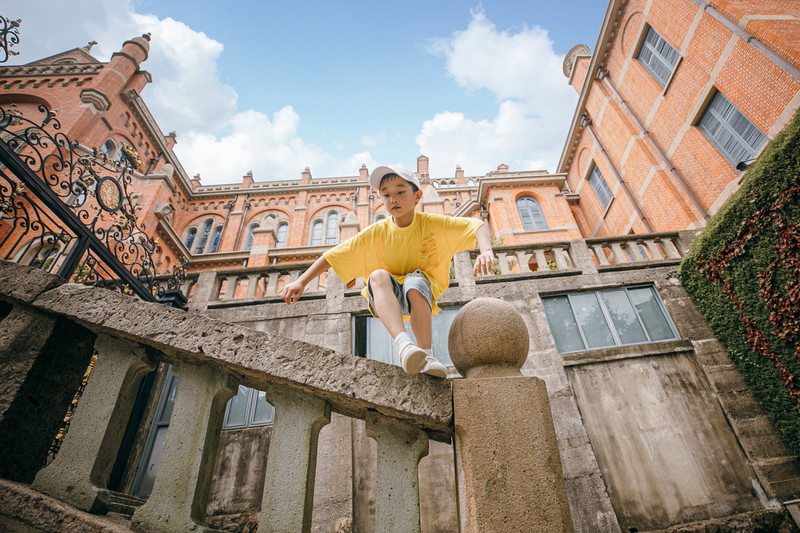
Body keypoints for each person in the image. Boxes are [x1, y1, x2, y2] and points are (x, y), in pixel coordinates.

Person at [281, 165, 495, 378]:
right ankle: (404, 346)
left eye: (400, 192)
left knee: (414, 282)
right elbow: (333, 255)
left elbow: (475, 225)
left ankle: (427, 356)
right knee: (377, 275)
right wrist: (301, 281)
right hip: (386, 294)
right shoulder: (376, 232)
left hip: (420, 291)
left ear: (417, 196)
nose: (393, 199)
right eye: (386, 195)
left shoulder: (431, 223)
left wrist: (486, 250)